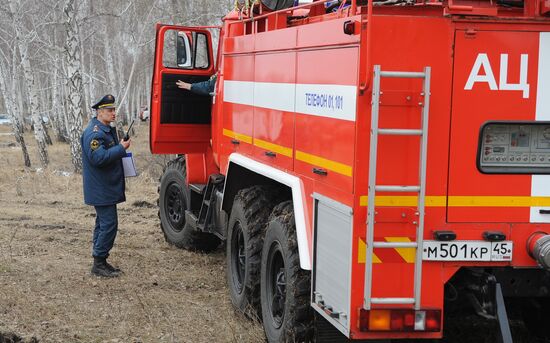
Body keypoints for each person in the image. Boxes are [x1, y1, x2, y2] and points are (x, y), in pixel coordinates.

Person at [81, 94, 131, 278]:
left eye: (114, 109)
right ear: (99, 112)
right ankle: (99, 262)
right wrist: (121, 149)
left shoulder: (105, 129)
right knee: (109, 224)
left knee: (102, 224)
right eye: (109, 110)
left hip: (105, 186)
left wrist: (118, 146)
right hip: (100, 188)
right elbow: (98, 158)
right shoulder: (95, 133)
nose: (113, 113)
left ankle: (99, 260)